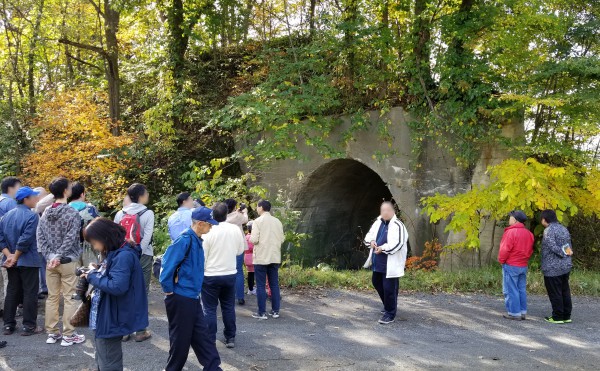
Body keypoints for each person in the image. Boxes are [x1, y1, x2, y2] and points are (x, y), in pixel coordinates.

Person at [81, 218, 149, 371]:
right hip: (109, 313)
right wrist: (98, 268)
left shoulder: (123, 256)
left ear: (104, 238)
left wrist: (92, 276)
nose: (95, 247)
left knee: (108, 362)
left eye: (94, 242)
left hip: (112, 316)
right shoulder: (118, 251)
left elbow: (117, 286)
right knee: (104, 357)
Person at [159, 207, 221, 371]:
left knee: (202, 336)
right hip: (180, 297)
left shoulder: (196, 240)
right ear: (200, 224)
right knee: (180, 341)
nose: (211, 227)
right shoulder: (184, 240)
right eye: (209, 224)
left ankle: (213, 367)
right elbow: (167, 266)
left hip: (192, 296)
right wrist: (168, 290)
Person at [37, 177, 85, 346]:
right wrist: (58, 256)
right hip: (67, 261)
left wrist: (50, 256)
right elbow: (71, 238)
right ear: (65, 191)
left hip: (50, 263)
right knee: (70, 297)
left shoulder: (46, 212)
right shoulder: (72, 213)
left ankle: (52, 333)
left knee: (52, 297)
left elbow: (40, 237)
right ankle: (69, 334)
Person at [0, 187, 43, 336]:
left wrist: (9, 256)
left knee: (12, 291)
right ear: (26, 199)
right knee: (30, 292)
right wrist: (15, 257)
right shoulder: (32, 216)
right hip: (28, 260)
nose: (36, 199)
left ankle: (8, 325)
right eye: (34, 197)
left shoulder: (6, 216)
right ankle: (29, 326)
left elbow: (1, 239)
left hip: (10, 260)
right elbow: (25, 240)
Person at [114, 183, 154, 342]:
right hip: (143, 256)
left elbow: (116, 237)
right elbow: (147, 237)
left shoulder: (120, 213)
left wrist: (125, 254)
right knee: (141, 291)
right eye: (146, 193)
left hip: (123, 256)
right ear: (141, 196)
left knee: (125, 290)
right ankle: (140, 331)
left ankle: (124, 330)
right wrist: (138, 252)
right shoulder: (148, 213)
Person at [202, 203, 245, 348]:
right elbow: (240, 251)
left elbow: (203, 256)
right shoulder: (234, 229)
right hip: (230, 273)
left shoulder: (208, 230)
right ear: (227, 214)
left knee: (209, 308)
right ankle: (230, 337)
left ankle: (210, 338)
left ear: (212, 214)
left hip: (210, 274)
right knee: (228, 306)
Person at [363, 201, 409, 325]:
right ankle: (389, 305)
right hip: (378, 261)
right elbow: (368, 237)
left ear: (393, 211)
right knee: (376, 282)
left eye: (388, 210)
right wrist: (372, 242)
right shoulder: (377, 223)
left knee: (389, 288)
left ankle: (390, 313)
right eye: (383, 210)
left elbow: (398, 244)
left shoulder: (398, 225)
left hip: (391, 263)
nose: (385, 212)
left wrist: (383, 248)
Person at [250, 200, 284, 320]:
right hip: (274, 256)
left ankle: (262, 312)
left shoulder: (257, 221)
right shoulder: (277, 221)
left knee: (260, 285)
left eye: (257, 207)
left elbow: (254, 239)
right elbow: (282, 239)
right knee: (274, 284)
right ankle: (275, 311)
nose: (256, 209)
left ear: (261, 208)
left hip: (261, 257)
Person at [498, 210, 534, 320]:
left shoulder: (510, 233)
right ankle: (522, 312)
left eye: (510, 217)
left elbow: (505, 250)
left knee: (510, 290)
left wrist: (501, 260)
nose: (509, 219)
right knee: (521, 289)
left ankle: (514, 313)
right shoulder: (529, 234)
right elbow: (530, 250)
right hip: (523, 265)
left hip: (511, 264)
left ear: (514, 219)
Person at [541, 209, 573, 324]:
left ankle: (557, 316)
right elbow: (568, 246)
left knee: (555, 292)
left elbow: (552, 246)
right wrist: (567, 253)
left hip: (552, 267)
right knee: (564, 290)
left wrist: (562, 253)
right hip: (566, 266)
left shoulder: (548, 230)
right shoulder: (563, 228)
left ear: (545, 220)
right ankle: (566, 315)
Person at [0, 176, 21, 317]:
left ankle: (2, 308)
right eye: (19, 187)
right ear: (11, 188)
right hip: (7, 249)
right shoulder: (10, 204)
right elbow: (15, 229)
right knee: (10, 282)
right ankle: (10, 311)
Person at [68, 182, 100, 266]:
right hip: (89, 247)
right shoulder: (90, 208)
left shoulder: (65, 209)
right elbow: (98, 227)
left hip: (70, 248)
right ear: (82, 194)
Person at [224, 199, 248, 305]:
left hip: (226, 247)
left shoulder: (222, 216)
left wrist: (237, 211)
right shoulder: (238, 216)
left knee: (227, 270)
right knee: (238, 271)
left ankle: (227, 295)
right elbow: (245, 219)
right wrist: (245, 211)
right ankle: (240, 297)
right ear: (234, 207)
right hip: (238, 246)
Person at [34, 189, 53, 299]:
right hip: (38, 245)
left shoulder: (44, 210)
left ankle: (44, 288)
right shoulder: (36, 209)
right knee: (41, 266)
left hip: (43, 245)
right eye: (44, 194)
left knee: (43, 266)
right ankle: (43, 288)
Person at [245, 222, 256, 295]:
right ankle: (252, 289)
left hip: (246, 257)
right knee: (255, 274)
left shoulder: (245, 237)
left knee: (250, 274)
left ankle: (250, 289)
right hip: (253, 257)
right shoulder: (253, 237)